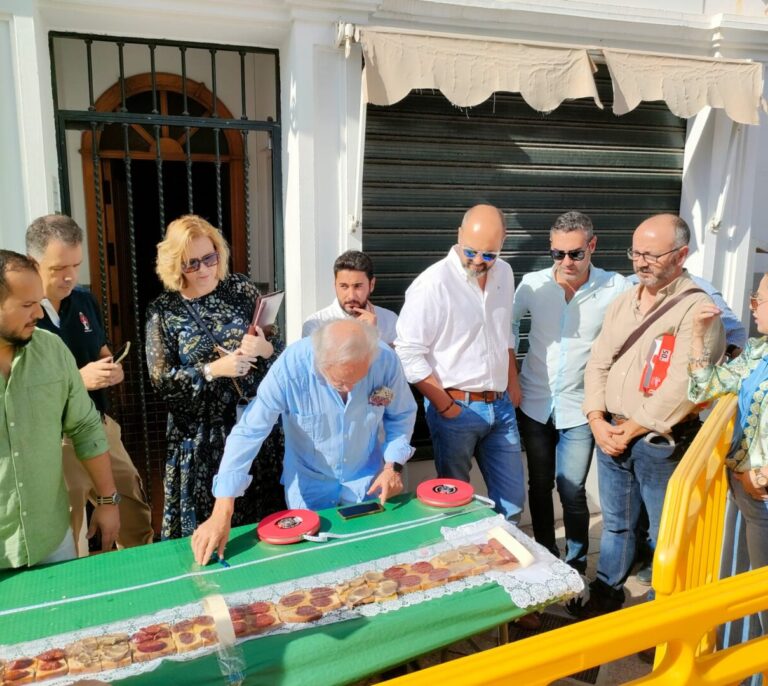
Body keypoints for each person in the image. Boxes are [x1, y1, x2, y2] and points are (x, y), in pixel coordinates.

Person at [577, 213, 725, 618]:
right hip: (612, 431)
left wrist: (630, 429)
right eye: (635, 253)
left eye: (651, 255)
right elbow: (597, 363)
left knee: (666, 534)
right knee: (617, 525)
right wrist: (596, 419)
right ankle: (607, 593)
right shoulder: (625, 300)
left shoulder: (698, 309)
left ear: (681, 255)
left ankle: (660, 615)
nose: (640, 263)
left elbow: (681, 386)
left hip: (661, 442)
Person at [191, 318, 417, 565]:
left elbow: (401, 415)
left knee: (371, 561)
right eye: (341, 382)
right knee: (315, 568)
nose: (350, 388)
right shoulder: (291, 367)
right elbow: (249, 431)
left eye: (358, 380)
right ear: (320, 363)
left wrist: (392, 466)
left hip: (368, 483)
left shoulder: (384, 360)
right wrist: (222, 510)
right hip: (309, 489)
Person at [145, 214, 285, 540]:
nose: (204, 269)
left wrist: (263, 348)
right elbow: (161, 380)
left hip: (254, 424)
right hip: (203, 439)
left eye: (210, 258)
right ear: (176, 265)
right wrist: (211, 370)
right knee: (210, 530)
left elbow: (277, 348)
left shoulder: (240, 288)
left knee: (265, 529)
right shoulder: (164, 311)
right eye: (192, 263)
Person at [26, 214, 154, 555]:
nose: (69, 276)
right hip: (54, 440)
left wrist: (113, 370)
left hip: (98, 425)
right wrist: (78, 380)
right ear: (31, 262)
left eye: (76, 265)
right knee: (72, 535)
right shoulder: (20, 314)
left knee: (133, 514)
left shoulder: (83, 300)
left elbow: (101, 349)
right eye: (58, 268)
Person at [513, 211, 629, 574]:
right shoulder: (532, 284)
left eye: (575, 253)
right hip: (534, 402)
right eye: (558, 254)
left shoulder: (616, 287)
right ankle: (547, 555)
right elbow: (507, 326)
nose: (566, 262)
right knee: (540, 484)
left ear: (592, 246)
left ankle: (576, 562)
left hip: (582, 409)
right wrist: (510, 377)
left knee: (573, 490)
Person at [395, 204, 524, 521]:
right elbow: (408, 352)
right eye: (471, 251)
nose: (479, 261)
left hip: (501, 405)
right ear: (458, 235)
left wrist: (513, 382)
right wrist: (445, 406)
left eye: (489, 254)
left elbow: (503, 330)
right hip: (455, 408)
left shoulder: (504, 274)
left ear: (503, 243)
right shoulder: (433, 284)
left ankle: (511, 568)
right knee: (457, 506)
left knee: (512, 503)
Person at [0, 250, 119, 568]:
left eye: (39, 301)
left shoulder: (51, 350)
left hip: (51, 542)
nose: (39, 313)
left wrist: (108, 501)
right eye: (27, 305)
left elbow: (85, 427)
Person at [688, 275, 768, 633]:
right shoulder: (759, 350)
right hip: (745, 492)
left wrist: (761, 477)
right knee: (744, 591)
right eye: (753, 299)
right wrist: (698, 334)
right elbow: (705, 387)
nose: (753, 308)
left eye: (759, 300)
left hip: (760, 492)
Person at [302, 250, 398, 344]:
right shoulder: (316, 324)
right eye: (344, 286)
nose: (351, 296)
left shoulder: (390, 320)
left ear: (371, 285)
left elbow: (396, 359)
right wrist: (368, 335)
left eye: (358, 286)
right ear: (335, 285)